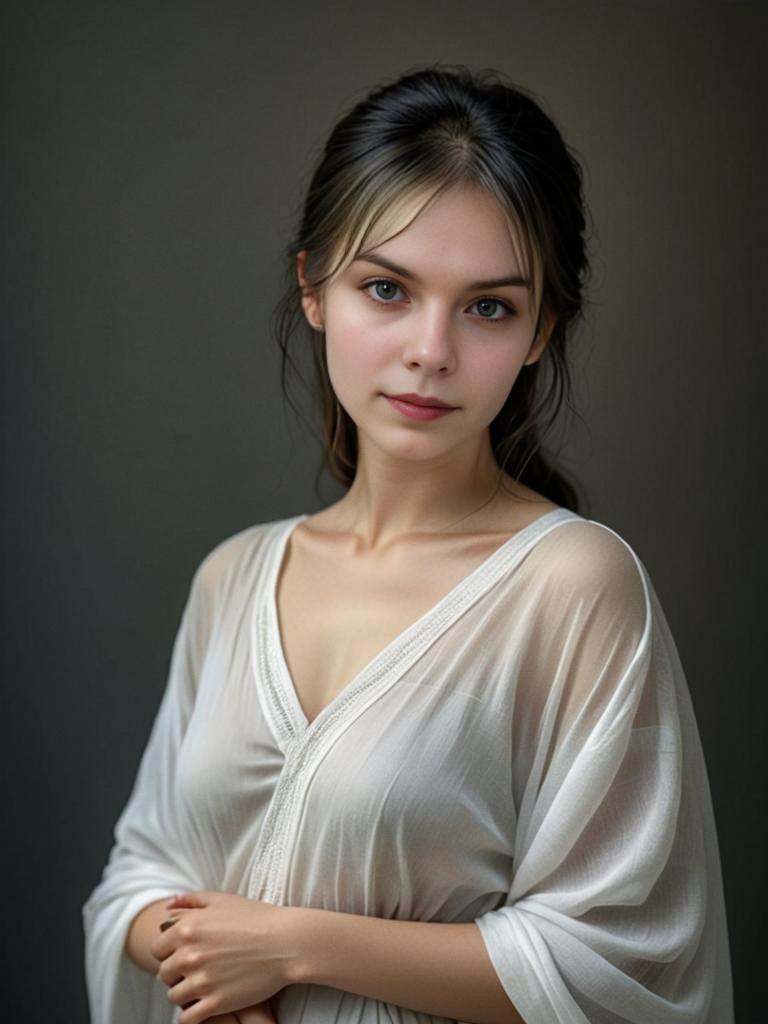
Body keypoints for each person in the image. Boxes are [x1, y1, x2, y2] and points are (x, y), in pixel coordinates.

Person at [82, 64, 735, 1024]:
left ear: (542, 329)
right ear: (313, 285)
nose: (431, 349)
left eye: (488, 306)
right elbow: (138, 872)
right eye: (386, 288)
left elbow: (620, 960)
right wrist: (206, 965)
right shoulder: (235, 577)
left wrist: (289, 946)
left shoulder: (576, 585)